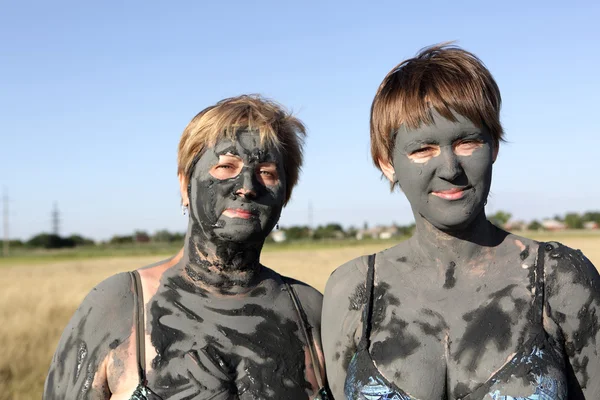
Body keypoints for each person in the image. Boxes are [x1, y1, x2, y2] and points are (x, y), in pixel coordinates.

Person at [322, 44, 600, 399]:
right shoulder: (354, 291)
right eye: (423, 149)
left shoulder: (559, 278)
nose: (450, 169)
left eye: (468, 142)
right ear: (386, 162)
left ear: (494, 147)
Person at [44, 95, 328, 399]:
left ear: (285, 195)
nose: (247, 186)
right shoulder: (119, 304)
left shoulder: (311, 311)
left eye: (267, 172)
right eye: (226, 166)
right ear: (184, 184)